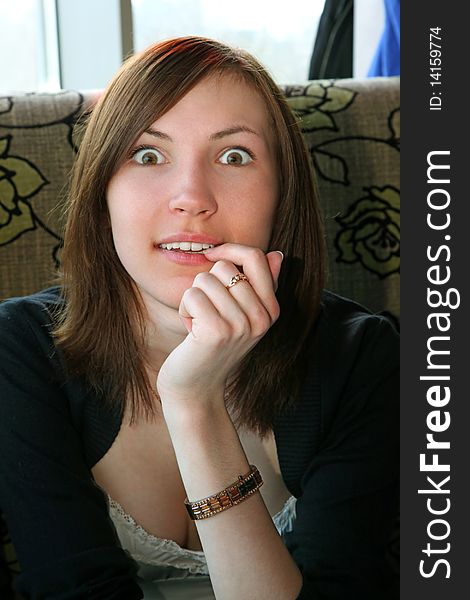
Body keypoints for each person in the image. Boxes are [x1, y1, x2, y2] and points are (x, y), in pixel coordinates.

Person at [0, 36, 399, 599]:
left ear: (282, 193)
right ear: (102, 191)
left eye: (233, 156)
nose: (191, 197)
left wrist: (194, 404)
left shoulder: (364, 355)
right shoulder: (19, 348)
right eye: (148, 154)